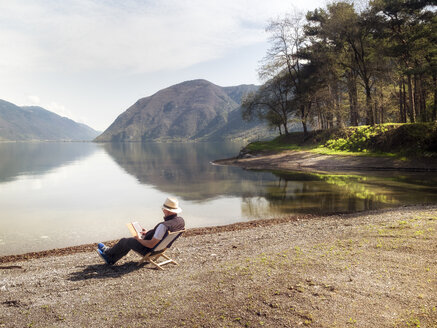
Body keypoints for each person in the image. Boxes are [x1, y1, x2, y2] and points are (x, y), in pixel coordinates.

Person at [97, 197, 185, 265]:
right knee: (128, 242)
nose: (163, 210)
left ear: (167, 211)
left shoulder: (163, 226)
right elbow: (162, 235)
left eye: (163, 209)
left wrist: (138, 239)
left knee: (126, 241)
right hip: (160, 249)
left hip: (149, 250)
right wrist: (148, 233)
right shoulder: (181, 221)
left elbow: (151, 244)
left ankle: (108, 254)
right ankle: (111, 256)